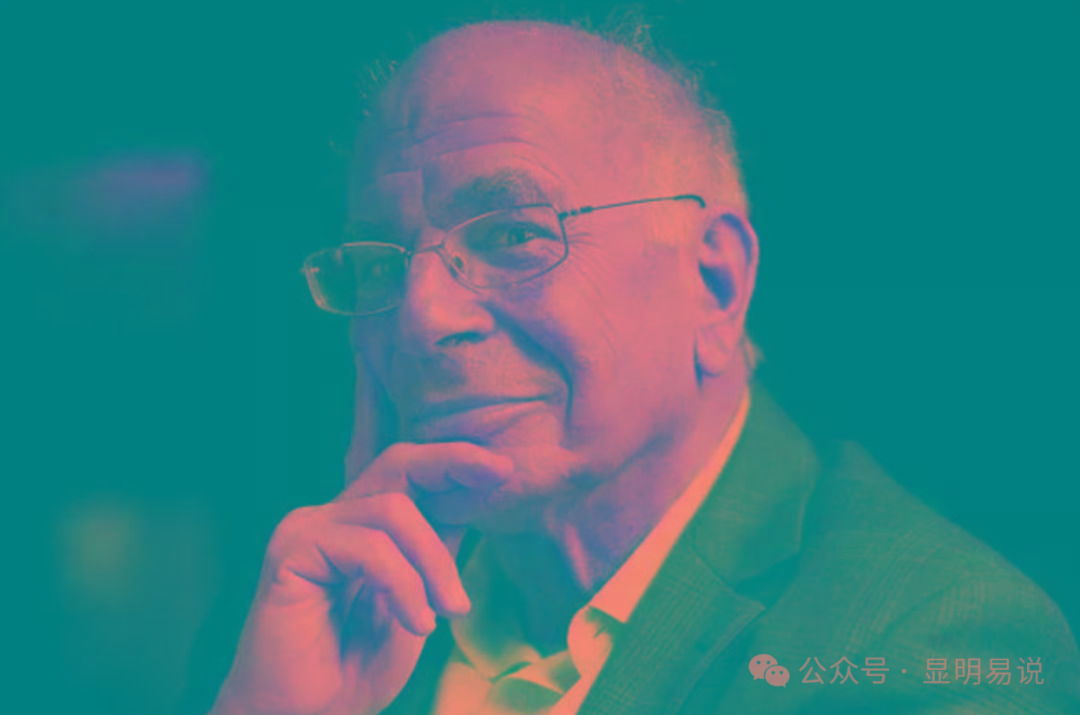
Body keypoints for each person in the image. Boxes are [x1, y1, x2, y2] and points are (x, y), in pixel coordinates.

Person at [208, 19, 1080, 715]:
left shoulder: (922, 636)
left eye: (512, 234)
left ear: (715, 284)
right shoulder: (307, 615)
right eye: (379, 264)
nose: (419, 318)